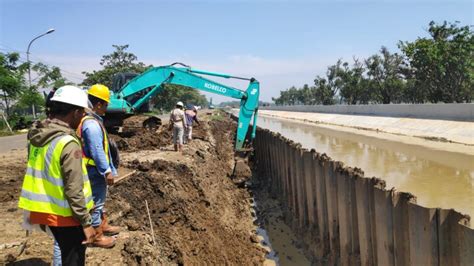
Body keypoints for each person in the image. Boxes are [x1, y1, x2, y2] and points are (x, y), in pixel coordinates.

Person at [18, 85, 95, 266]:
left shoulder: (37, 136)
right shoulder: (68, 142)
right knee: (73, 259)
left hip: (44, 211)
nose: (83, 117)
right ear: (75, 112)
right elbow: (73, 188)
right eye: (82, 113)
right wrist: (86, 223)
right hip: (66, 215)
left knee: (64, 251)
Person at [76, 84, 120, 248]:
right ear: (99, 104)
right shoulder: (92, 124)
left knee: (100, 200)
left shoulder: (90, 121)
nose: (107, 108)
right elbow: (96, 150)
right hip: (93, 170)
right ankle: (97, 236)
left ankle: (102, 225)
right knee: (96, 203)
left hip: (92, 169)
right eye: (106, 104)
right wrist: (107, 171)